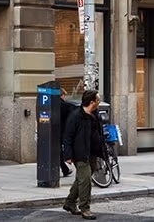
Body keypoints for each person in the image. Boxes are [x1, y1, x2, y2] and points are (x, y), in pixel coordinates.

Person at [62, 90, 104, 220]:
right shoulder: (76, 116)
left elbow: (98, 133)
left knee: (82, 179)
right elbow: (68, 137)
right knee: (85, 180)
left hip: (92, 151)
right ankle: (85, 208)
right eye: (97, 100)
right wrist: (68, 155)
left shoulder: (95, 115)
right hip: (79, 153)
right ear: (92, 102)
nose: (99, 102)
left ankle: (69, 203)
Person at [59, 88, 75, 177]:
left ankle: (64, 168)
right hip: (62, 130)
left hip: (52, 131)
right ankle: (65, 166)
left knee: (57, 150)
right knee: (60, 150)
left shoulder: (51, 104)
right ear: (62, 95)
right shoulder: (65, 105)